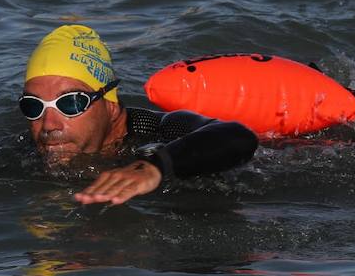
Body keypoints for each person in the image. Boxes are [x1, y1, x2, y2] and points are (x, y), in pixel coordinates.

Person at [21, 25, 258, 205]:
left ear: (110, 105)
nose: (48, 125)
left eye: (71, 103)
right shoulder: (28, 154)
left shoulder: (161, 130)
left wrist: (155, 167)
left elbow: (239, 137)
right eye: (34, 107)